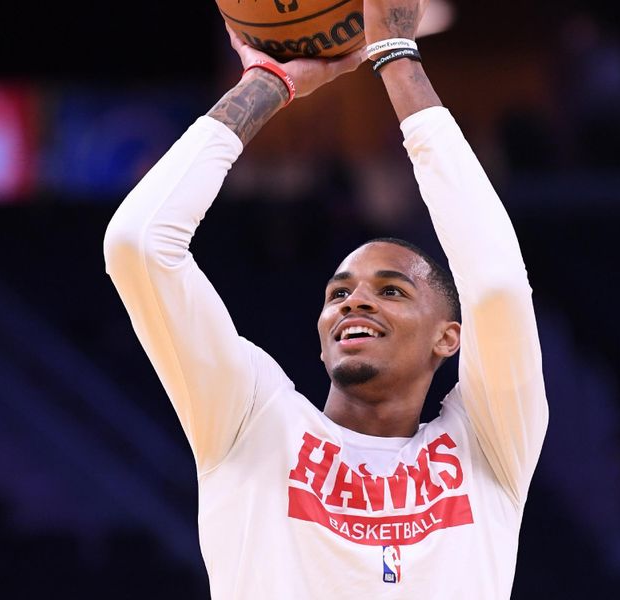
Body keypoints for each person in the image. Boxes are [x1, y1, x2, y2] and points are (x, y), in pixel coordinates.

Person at [103, 0, 548, 597]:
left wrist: (397, 57)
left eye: (391, 290)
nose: (354, 302)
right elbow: (138, 245)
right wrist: (266, 83)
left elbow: (495, 286)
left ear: (449, 337)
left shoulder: (489, 445)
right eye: (339, 292)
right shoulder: (252, 420)